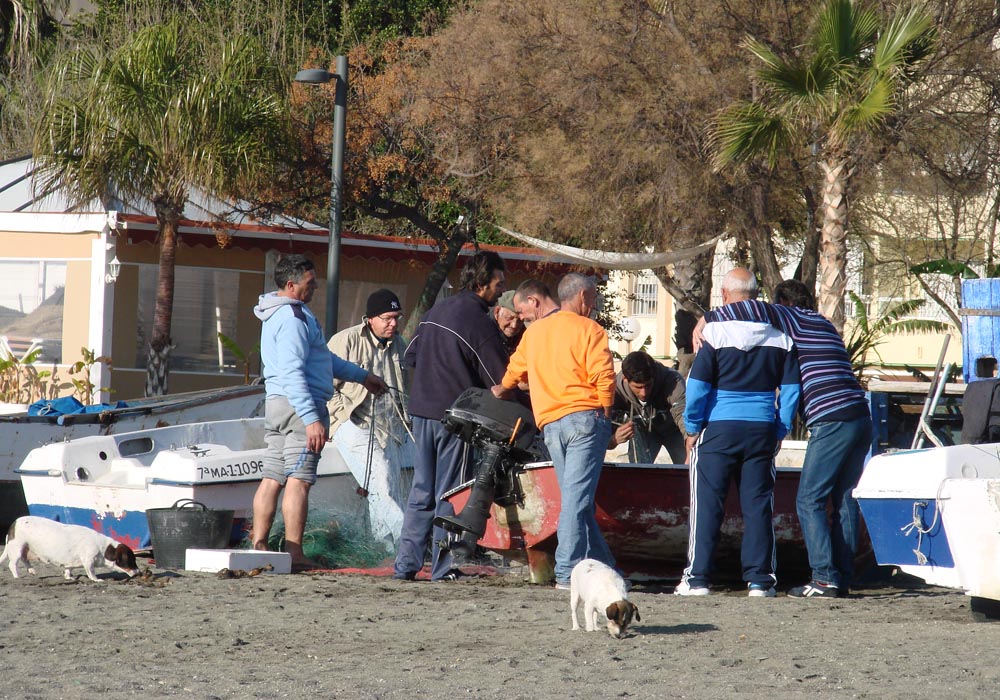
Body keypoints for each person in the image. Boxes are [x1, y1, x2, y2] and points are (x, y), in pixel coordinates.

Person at [700, 278, 872, 598]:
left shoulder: (791, 318)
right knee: (845, 500)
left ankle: (822, 578)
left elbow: (747, 306)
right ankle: (842, 578)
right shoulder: (824, 324)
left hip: (830, 418)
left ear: (781, 304)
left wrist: (707, 319)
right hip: (860, 416)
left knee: (810, 500)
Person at [251, 254, 387, 571]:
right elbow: (294, 372)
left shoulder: (278, 313)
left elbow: (324, 360)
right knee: (299, 480)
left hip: (276, 405)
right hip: (302, 406)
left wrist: (363, 376)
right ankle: (294, 554)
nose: (314, 289)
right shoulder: (293, 320)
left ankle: (259, 545)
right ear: (290, 284)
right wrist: (312, 419)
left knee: (272, 476)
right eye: (310, 284)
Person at [676, 268, 800, 598]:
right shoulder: (780, 335)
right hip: (761, 429)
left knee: (707, 504)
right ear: (755, 295)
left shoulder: (714, 332)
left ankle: (697, 579)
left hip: (719, 428)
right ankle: (760, 581)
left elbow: (698, 386)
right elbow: (790, 390)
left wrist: (692, 427)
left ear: (725, 294)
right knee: (758, 505)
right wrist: (780, 429)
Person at [493, 274, 616, 589]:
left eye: (522, 313)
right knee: (576, 502)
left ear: (534, 302)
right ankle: (566, 573)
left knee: (578, 502)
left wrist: (500, 391)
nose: (522, 319)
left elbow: (512, 374)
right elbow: (603, 374)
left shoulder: (533, 336)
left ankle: (607, 567)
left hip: (551, 425)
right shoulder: (588, 329)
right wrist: (605, 409)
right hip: (585, 420)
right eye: (592, 298)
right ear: (583, 295)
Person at [393, 250, 510, 582]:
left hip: (421, 410)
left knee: (421, 492)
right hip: (454, 418)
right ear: (482, 283)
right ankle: (443, 569)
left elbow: (410, 354)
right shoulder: (477, 321)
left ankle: (405, 566)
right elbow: (500, 379)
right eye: (498, 284)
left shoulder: (438, 309)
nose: (501, 291)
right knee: (451, 493)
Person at [328, 288, 412, 554]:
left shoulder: (400, 344)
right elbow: (322, 384)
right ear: (370, 319)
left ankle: (386, 549)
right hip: (353, 423)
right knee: (382, 478)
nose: (393, 323)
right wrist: (339, 416)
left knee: (388, 487)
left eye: (397, 317)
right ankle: (410, 543)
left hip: (390, 427)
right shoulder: (345, 340)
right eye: (387, 318)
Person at [609, 351, 687, 464]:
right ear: (625, 379)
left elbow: (683, 414)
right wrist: (613, 440)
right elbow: (600, 435)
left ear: (654, 376)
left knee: (689, 467)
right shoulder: (615, 390)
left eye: (648, 385)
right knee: (638, 471)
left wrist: (690, 445)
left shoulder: (673, 380)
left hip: (675, 430)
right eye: (638, 387)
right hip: (644, 432)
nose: (644, 392)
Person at [492, 290, 525, 354]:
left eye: (520, 320)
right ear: (497, 312)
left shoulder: (524, 335)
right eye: (509, 318)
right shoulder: (483, 332)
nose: (514, 325)